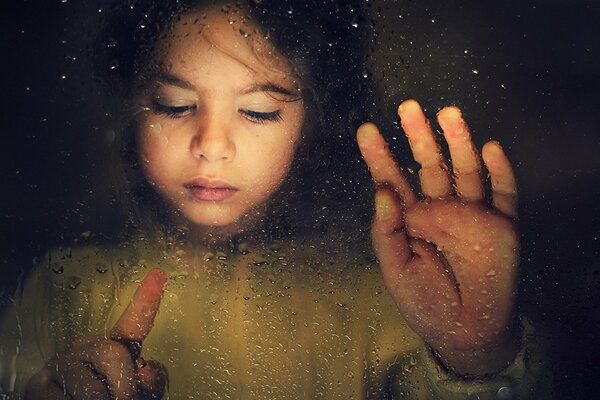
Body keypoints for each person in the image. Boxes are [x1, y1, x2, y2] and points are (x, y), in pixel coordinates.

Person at [0, 0, 550, 398]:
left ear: (309, 124)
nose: (211, 146)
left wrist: (476, 357)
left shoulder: (384, 300)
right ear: (132, 107)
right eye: (172, 104)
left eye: (259, 110)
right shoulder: (62, 287)